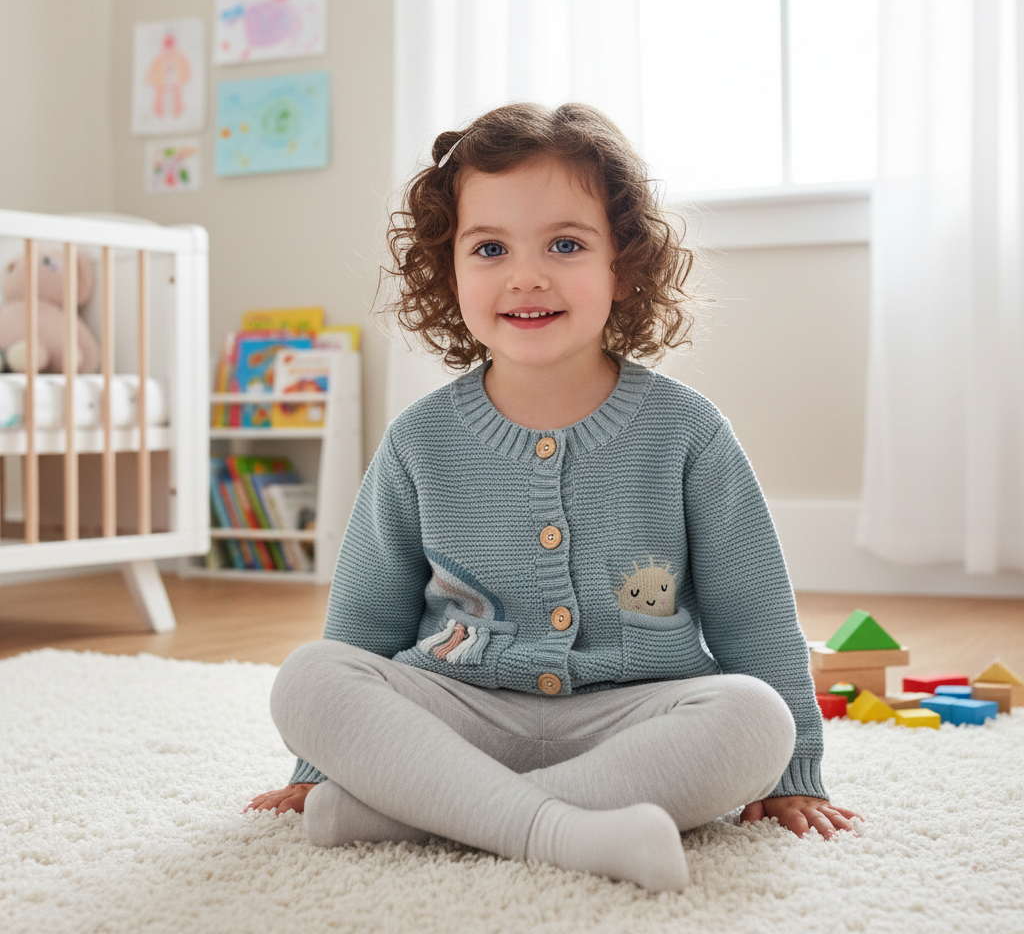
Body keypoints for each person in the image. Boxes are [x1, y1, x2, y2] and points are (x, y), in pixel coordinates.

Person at [246, 102, 860, 893]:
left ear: (624, 267)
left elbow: (756, 614)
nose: (526, 275)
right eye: (490, 247)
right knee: (310, 676)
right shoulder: (418, 441)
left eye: (565, 245)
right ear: (449, 271)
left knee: (754, 718)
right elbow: (365, 620)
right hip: (461, 714)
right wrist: (315, 764)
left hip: (633, 721)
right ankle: (561, 830)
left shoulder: (688, 432)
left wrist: (795, 772)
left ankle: (427, 817)